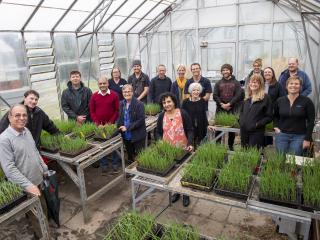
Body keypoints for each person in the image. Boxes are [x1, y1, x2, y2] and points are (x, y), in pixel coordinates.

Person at [0, 104, 49, 239]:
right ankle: (44, 236)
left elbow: (34, 151)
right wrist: (29, 186)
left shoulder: (26, 131)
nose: (22, 118)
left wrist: (44, 168)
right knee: (37, 216)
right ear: (9, 118)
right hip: (26, 186)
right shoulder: (4, 139)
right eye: (17, 115)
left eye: (24, 115)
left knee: (42, 210)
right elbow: (9, 169)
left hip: (38, 179)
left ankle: (43, 233)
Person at [156, 92, 193, 207]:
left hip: (182, 148)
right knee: (172, 172)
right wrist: (160, 141)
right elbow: (158, 132)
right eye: (164, 102)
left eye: (168, 101)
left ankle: (185, 194)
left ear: (174, 102)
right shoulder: (162, 116)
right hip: (167, 149)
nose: (166, 104)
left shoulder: (182, 113)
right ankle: (176, 192)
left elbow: (190, 129)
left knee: (183, 171)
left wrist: (191, 143)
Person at [274, 76, 315, 156]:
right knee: (280, 158)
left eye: (296, 84)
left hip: (299, 136)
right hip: (282, 135)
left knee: (293, 159)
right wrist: (276, 127)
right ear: (286, 86)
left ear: (300, 87)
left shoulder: (307, 101)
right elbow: (275, 116)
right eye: (291, 83)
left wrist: (307, 139)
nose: (293, 86)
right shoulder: (280, 101)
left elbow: (311, 121)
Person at [89, 76, 120, 175]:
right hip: (100, 126)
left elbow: (117, 110)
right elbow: (92, 111)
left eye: (104, 83)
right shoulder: (94, 96)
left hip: (111, 125)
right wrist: (98, 124)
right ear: (98, 85)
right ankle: (104, 165)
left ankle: (115, 163)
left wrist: (110, 123)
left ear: (108, 84)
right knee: (101, 145)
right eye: (100, 84)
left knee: (113, 143)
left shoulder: (114, 95)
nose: (102, 85)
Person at [213, 63, 244, 150]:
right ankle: (217, 146)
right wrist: (222, 104)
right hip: (220, 109)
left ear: (230, 71)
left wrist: (230, 104)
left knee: (232, 129)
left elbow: (239, 95)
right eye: (223, 70)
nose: (225, 71)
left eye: (227, 70)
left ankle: (230, 146)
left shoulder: (236, 83)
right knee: (218, 128)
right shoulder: (218, 83)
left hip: (232, 109)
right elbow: (215, 95)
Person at [239, 74, 273, 148]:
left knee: (253, 154)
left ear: (260, 84)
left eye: (255, 82)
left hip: (256, 132)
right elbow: (241, 112)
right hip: (244, 131)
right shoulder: (247, 98)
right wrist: (241, 122)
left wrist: (257, 124)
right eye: (251, 82)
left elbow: (269, 116)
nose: (253, 84)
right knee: (244, 152)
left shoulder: (265, 98)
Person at [117, 84, 146, 163]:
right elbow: (120, 118)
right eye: (125, 92)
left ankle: (141, 171)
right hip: (126, 135)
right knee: (130, 154)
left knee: (140, 155)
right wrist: (116, 127)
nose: (127, 93)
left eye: (129, 91)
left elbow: (141, 120)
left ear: (132, 92)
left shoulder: (139, 104)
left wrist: (127, 127)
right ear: (122, 93)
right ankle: (131, 170)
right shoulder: (121, 104)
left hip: (137, 135)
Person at [263, 67, 285, 146]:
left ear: (273, 74)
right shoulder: (261, 84)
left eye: (269, 72)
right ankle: (261, 149)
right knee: (261, 131)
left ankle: (268, 147)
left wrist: (276, 107)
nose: (267, 73)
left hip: (273, 112)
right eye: (265, 72)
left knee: (269, 130)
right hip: (261, 111)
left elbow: (282, 98)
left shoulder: (278, 85)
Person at [182, 82, 208, 147]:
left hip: (200, 126)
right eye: (194, 90)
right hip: (189, 127)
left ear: (200, 91)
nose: (196, 92)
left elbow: (204, 115)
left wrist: (208, 125)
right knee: (189, 143)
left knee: (199, 144)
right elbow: (182, 115)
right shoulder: (185, 102)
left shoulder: (202, 101)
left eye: (197, 90)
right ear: (190, 91)